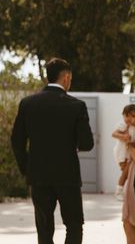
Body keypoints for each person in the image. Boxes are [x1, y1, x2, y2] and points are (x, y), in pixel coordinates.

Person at [11, 58, 94, 244]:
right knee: (74, 225)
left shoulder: (27, 103)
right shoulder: (76, 106)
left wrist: (28, 168)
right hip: (68, 176)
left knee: (44, 228)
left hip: (38, 175)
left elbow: (16, 141)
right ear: (65, 77)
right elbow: (87, 143)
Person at [112, 104, 135, 200]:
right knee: (126, 172)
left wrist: (133, 143)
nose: (129, 118)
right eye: (126, 115)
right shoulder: (123, 126)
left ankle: (125, 191)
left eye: (133, 116)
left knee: (129, 173)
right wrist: (123, 137)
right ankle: (119, 190)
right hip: (122, 154)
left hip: (130, 154)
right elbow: (114, 134)